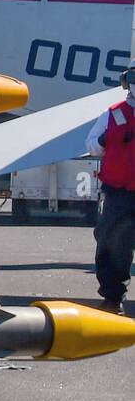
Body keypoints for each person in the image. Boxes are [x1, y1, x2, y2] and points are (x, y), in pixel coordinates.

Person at [85, 69, 135, 314]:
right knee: (112, 241)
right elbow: (91, 146)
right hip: (119, 192)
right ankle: (113, 298)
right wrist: (104, 139)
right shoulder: (112, 114)